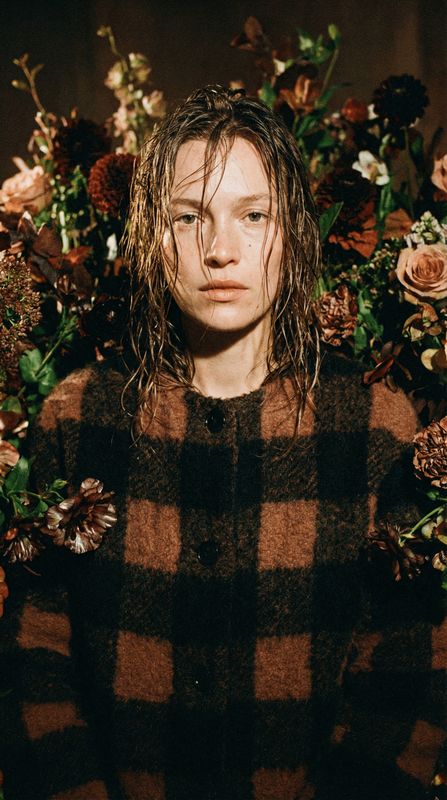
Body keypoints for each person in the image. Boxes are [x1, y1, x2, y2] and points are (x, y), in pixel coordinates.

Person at [0, 86, 445, 800]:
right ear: (154, 232)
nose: (218, 250)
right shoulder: (79, 416)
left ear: (291, 231)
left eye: (252, 214)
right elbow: (34, 659)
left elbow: (406, 669)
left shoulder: (372, 425)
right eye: (189, 216)